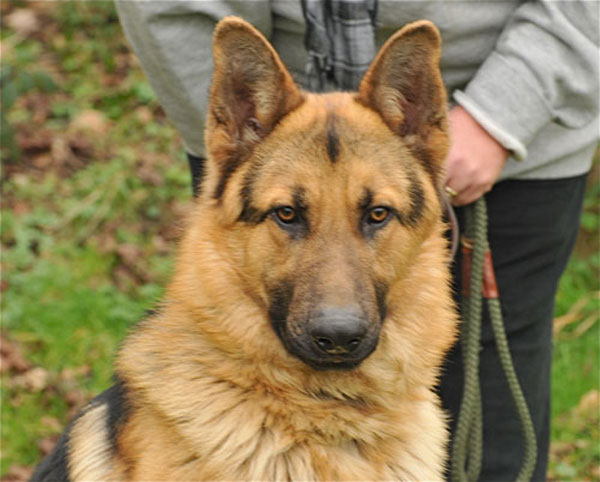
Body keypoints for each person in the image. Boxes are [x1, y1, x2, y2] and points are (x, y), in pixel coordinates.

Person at [115, 2, 599, 480]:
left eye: (376, 216)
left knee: (492, 431)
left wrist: (502, 113)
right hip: (270, 129)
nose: (338, 317)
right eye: (289, 215)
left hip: (513, 123)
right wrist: (258, 140)